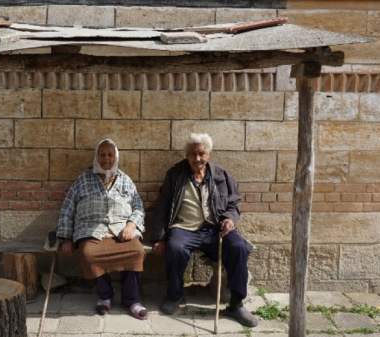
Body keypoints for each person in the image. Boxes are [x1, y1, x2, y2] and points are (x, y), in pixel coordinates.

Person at [150, 133, 258, 327]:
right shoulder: (175, 174)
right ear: (187, 155)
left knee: (239, 248)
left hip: (215, 228)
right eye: (193, 154)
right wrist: (159, 238)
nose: (197, 158)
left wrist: (229, 219)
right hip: (184, 228)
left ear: (209, 154)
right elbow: (162, 206)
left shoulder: (221, 175)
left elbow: (234, 203)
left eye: (202, 153)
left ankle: (236, 304)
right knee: (175, 248)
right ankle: (174, 295)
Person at [56, 138, 148, 320]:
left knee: (137, 252)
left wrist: (131, 225)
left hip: (121, 231)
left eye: (110, 155)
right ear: (97, 157)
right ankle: (105, 296)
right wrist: (66, 237)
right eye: (103, 155)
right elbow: (68, 208)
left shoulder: (125, 180)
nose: (106, 159)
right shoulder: (83, 180)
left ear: (116, 157)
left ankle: (132, 300)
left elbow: (138, 206)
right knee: (89, 254)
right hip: (90, 231)